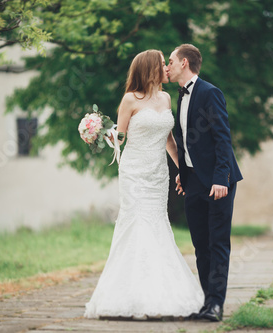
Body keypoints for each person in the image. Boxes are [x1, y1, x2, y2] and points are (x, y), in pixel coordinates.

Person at [84, 50, 204, 319]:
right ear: (149, 69)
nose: (166, 68)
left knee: (158, 222)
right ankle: (126, 295)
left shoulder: (166, 97)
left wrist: (182, 169)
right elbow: (120, 137)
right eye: (162, 64)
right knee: (137, 222)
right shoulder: (130, 99)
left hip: (158, 173)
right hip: (134, 172)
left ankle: (161, 293)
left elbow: (169, 140)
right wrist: (99, 131)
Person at [167, 44, 243, 322]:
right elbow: (188, 141)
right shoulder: (180, 96)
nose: (167, 66)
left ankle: (216, 305)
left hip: (218, 181)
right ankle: (207, 301)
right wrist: (183, 172)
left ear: (184, 63)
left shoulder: (210, 93)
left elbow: (223, 138)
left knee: (217, 242)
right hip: (194, 181)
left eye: (171, 61)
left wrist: (221, 177)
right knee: (200, 243)